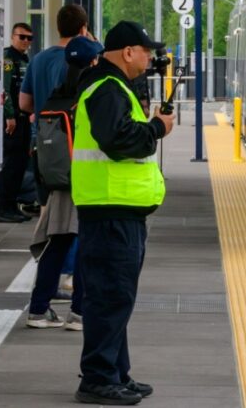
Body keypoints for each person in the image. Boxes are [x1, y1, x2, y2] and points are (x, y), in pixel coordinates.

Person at [72, 21, 174, 406]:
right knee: (110, 297)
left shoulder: (111, 86)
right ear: (128, 52)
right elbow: (118, 142)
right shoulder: (108, 88)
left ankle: (116, 373)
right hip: (109, 209)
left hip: (118, 210)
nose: (150, 58)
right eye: (146, 51)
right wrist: (157, 130)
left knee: (118, 296)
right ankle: (98, 378)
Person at [25, 36, 104, 331]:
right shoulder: (91, 94)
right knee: (86, 245)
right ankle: (80, 313)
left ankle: (38, 309)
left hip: (59, 181)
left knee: (56, 243)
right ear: (93, 62)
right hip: (84, 181)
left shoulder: (59, 93)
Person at [19, 4, 90, 213]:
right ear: (83, 29)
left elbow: (24, 103)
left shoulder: (38, 59)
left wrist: (42, 108)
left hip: (42, 137)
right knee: (74, 204)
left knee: (46, 202)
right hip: (73, 140)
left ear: (58, 28)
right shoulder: (81, 61)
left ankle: (46, 243)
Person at [0, 22, 34, 223]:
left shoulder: (25, 59)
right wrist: (9, 115)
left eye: (30, 38)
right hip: (12, 121)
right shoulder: (8, 58)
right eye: (22, 37)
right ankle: (3, 207)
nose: (26, 42)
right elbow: (5, 89)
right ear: (13, 37)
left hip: (24, 118)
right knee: (10, 164)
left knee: (20, 163)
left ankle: (12, 205)